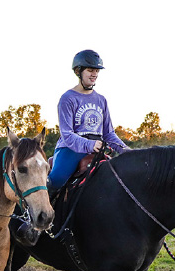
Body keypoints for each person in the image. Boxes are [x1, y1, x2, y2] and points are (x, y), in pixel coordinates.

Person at [47, 50, 130, 194]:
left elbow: (109, 134)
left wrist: (126, 151)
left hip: (97, 149)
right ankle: (40, 214)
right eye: (90, 70)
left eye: (97, 71)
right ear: (78, 71)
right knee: (56, 180)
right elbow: (67, 134)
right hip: (70, 149)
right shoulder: (68, 98)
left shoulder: (101, 100)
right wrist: (90, 144)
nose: (94, 74)